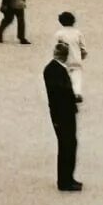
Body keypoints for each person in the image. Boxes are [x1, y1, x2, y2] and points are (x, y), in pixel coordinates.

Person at [43, 39, 82, 191]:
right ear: (64, 56)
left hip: (62, 114)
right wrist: (74, 98)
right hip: (63, 115)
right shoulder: (56, 71)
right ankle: (65, 181)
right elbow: (61, 93)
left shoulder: (52, 68)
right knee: (68, 146)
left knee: (68, 145)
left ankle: (67, 179)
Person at [54, 10, 87, 101]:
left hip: (63, 60)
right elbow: (83, 48)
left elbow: (56, 47)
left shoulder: (59, 34)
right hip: (76, 59)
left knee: (64, 76)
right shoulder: (78, 33)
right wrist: (82, 55)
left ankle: (65, 92)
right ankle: (77, 93)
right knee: (77, 76)